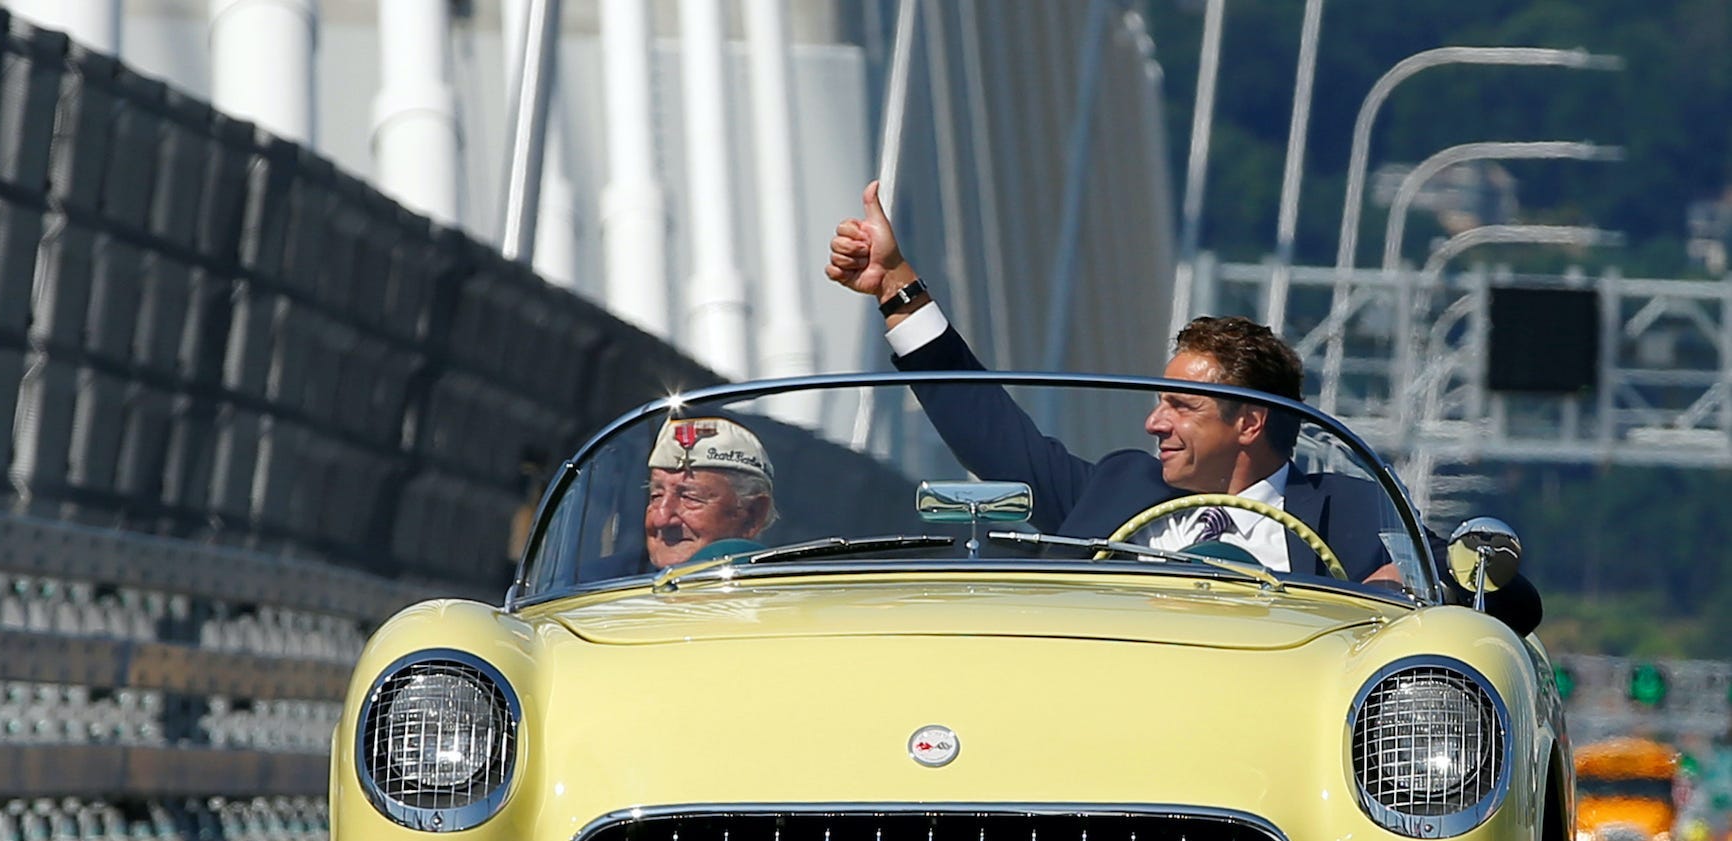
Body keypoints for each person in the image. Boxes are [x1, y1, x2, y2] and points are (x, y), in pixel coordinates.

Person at [824, 180, 1542, 629]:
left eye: (1180, 406)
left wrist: (1416, 582)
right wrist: (896, 286)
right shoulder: (1114, 487)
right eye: (1158, 403)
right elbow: (984, 424)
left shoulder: (1346, 511)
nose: (1153, 422)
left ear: (1249, 423)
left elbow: (1509, 604)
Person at [645, 416, 777, 567]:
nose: (661, 519)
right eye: (656, 496)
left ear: (752, 515)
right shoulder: (617, 577)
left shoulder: (788, 587)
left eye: (690, 497)